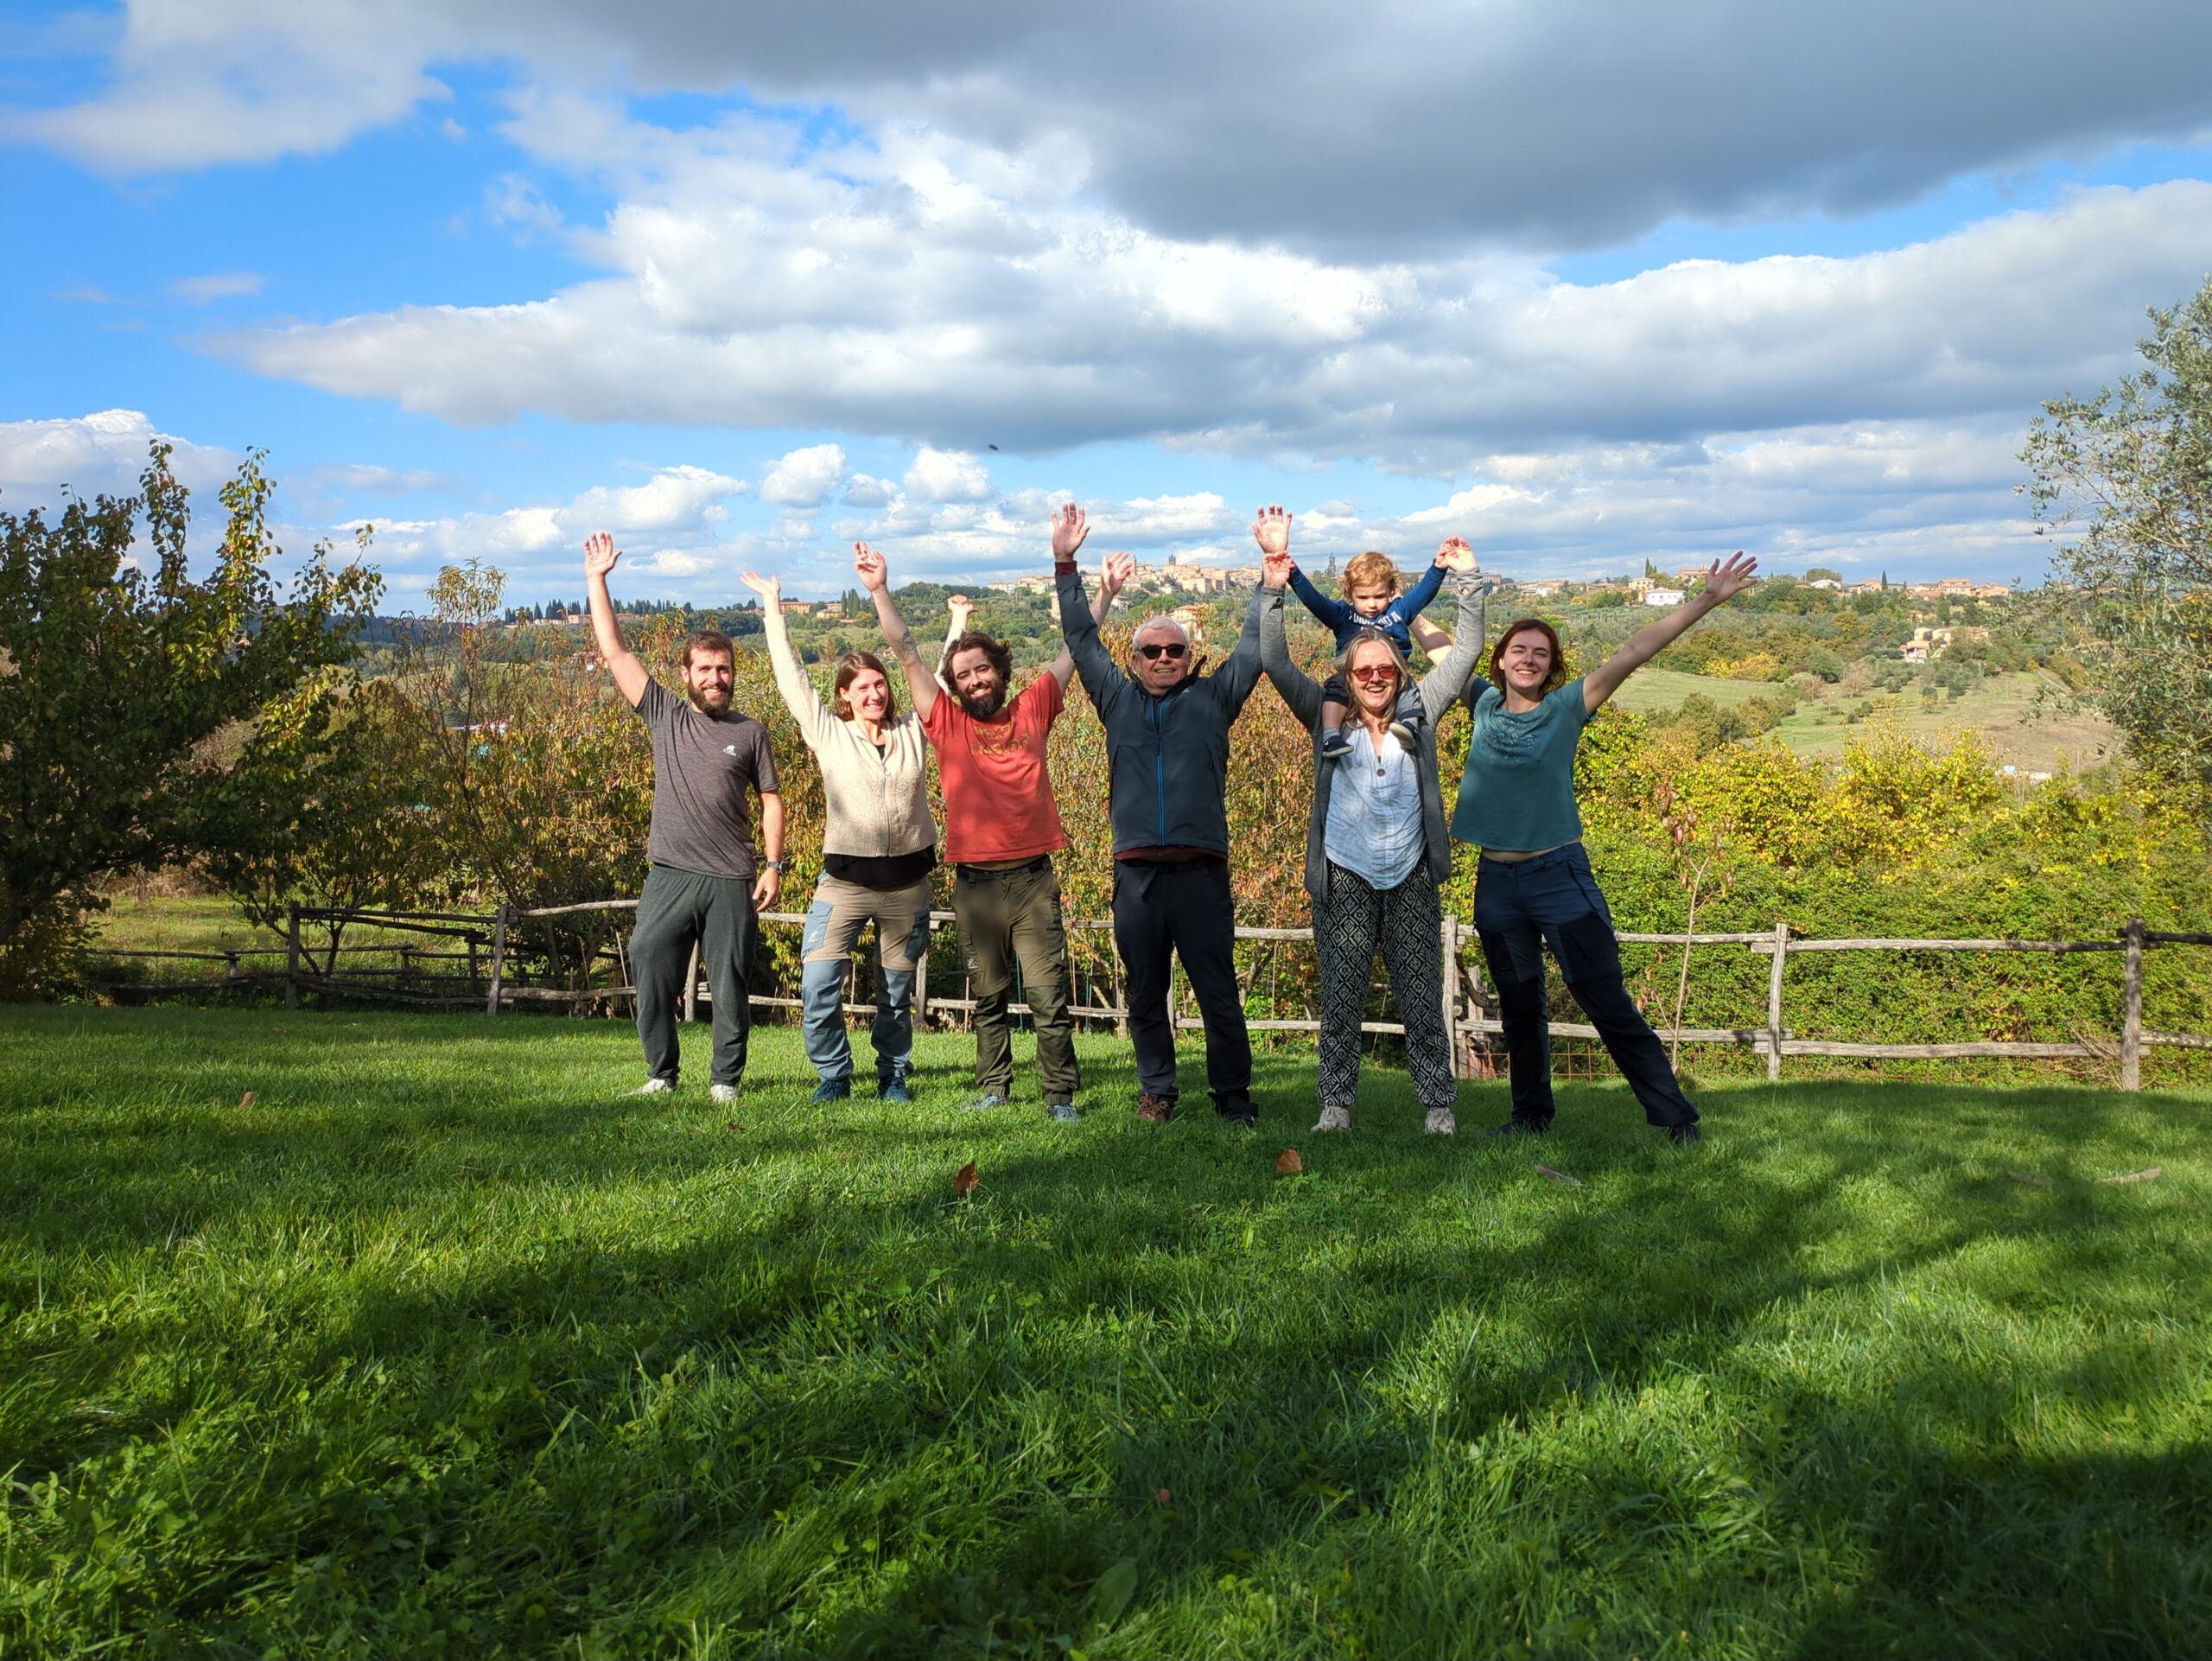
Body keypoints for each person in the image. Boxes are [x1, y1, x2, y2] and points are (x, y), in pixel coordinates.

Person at [1452, 552, 1760, 1144]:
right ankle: (1530, 1118)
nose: (1528, 659)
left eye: (1541, 653)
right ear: (1500, 660)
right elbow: (1444, 645)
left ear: (1551, 667)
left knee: (1605, 1001)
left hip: (1558, 879)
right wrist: (1404, 603)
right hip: (1496, 886)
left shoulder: (1567, 708)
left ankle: (1676, 1119)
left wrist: (1705, 600)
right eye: (1519, 650)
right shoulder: (1483, 704)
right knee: (1518, 1007)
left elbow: (1634, 651)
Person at [859, 533, 1124, 1122]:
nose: (975, 679)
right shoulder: (945, 722)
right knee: (988, 995)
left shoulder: (1034, 706)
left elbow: (1077, 645)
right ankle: (994, 1089)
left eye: (983, 669)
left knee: (1049, 997)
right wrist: (879, 589)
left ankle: (1059, 1097)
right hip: (975, 884)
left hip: (1033, 882)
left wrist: (1103, 593)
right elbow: (905, 651)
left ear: (1000, 671)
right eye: (964, 674)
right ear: (954, 685)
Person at [1255, 512, 1486, 1134]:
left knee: (1422, 994)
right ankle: (1335, 1107)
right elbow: (1274, 659)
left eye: (1385, 670)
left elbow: (1466, 650)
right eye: (1364, 672)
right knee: (1341, 995)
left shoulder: (1422, 710)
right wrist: (1273, 582)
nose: (1376, 678)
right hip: (1345, 873)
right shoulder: (1324, 714)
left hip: (1410, 873)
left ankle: (1438, 1107)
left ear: (1400, 672)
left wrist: (1468, 579)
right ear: (1348, 676)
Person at [1058, 503, 1268, 1127]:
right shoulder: (1114, 698)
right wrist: (1065, 563)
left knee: (1218, 994)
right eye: (1152, 649)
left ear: (1189, 653)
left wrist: (1270, 574)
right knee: (1146, 994)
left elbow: (1253, 647)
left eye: (1176, 649)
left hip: (1201, 874)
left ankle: (1233, 1095)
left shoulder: (1214, 697)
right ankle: (1159, 1091)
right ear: (1134, 657)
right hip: (1137, 877)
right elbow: (1080, 639)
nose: (1164, 657)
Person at [583, 531, 784, 1101]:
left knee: (730, 982)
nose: (715, 678)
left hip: (730, 877)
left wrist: (773, 866)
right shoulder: (664, 714)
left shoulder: (751, 732)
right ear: (686, 674)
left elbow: (771, 799)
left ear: (733, 673)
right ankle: (661, 1073)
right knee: (646, 956)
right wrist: (596, 579)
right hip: (669, 872)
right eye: (705, 669)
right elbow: (616, 653)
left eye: (724, 669)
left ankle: (725, 1081)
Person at [741, 567, 934, 1105]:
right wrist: (773, 608)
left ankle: (893, 1073)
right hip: (843, 884)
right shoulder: (828, 733)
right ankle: (834, 1074)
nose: (875, 693)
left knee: (896, 991)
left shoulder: (914, 730)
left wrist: (958, 624)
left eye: (880, 683)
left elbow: (931, 676)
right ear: (844, 696)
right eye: (862, 687)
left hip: (908, 886)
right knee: (819, 981)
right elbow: (790, 679)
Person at [1284, 544, 1457, 761]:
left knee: (1409, 690)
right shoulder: (1343, 616)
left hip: (1393, 676)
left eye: (1379, 596)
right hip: (1351, 676)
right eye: (1364, 598)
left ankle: (1409, 727)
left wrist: (1439, 567)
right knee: (1335, 689)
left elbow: (1423, 593)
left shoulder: (1399, 611)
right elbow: (1315, 601)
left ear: (1391, 592)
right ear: (1350, 594)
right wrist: (1294, 575)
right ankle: (1331, 736)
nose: (1372, 604)